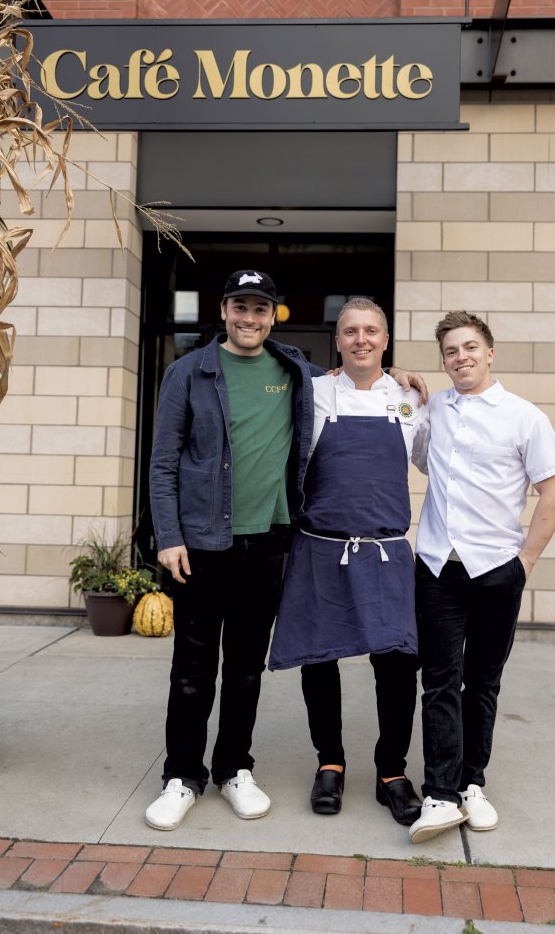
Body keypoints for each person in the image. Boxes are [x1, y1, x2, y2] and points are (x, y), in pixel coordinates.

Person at [146, 273, 423, 832]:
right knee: (193, 668)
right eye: (240, 307)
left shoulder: (307, 374)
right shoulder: (198, 373)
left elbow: (378, 398)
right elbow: (163, 461)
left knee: (248, 668)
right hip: (208, 542)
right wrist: (168, 535)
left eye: (260, 309)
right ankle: (183, 775)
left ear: (274, 317)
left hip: (277, 541)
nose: (250, 318)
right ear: (223, 310)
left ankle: (234, 769)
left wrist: (401, 377)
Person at [409, 310, 555, 845]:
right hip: (436, 567)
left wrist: (524, 563)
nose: (462, 357)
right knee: (438, 681)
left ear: (490, 352)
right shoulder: (435, 412)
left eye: (470, 347)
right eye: (452, 350)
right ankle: (439, 793)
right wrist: (408, 396)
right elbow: (419, 457)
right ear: (445, 360)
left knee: (482, 682)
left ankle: (471, 782)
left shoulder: (524, 417)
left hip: (497, 571)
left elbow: (553, 492)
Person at [269, 298, 427, 828]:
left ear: (386, 340)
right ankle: (329, 762)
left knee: (398, 666)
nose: (362, 339)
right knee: (320, 660)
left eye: (372, 331)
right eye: (351, 331)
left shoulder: (411, 400)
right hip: (320, 547)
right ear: (336, 343)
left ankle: (391, 773)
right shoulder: (310, 393)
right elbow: (267, 356)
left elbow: (439, 463)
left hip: (386, 552)